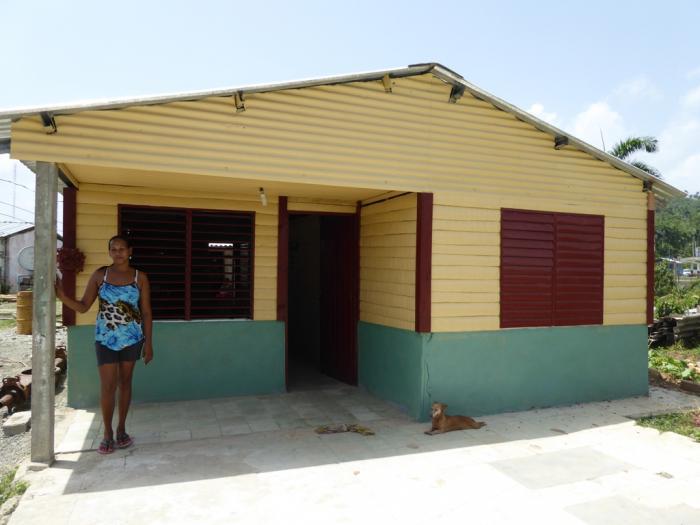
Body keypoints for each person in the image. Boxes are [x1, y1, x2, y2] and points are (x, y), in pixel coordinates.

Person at [56, 235, 153, 454]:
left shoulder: (140, 277)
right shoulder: (101, 275)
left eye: (122, 249)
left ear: (130, 251)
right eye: (113, 249)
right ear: (109, 252)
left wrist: (149, 343)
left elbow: (146, 312)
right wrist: (62, 296)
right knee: (108, 386)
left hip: (132, 339)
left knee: (125, 384)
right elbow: (82, 307)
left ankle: (121, 430)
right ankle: (107, 433)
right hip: (105, 340)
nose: (117, 253)